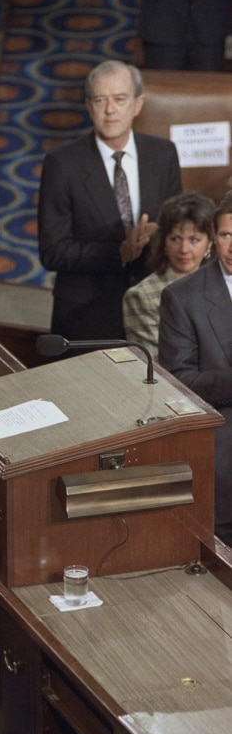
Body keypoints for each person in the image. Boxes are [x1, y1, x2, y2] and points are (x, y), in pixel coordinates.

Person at [37, 60, 182, 341]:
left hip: (153, 308)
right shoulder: (61, 164)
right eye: (100, 100)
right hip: (85, 313)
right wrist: (119, 252)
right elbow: (52, 251)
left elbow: (178, 228)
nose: (110, 110)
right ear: (89, 106)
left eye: (119, 99)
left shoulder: (163, 155)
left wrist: (159, 233)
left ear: (138, 104)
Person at [159, 192, 232, 545]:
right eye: (226, 235)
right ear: (213, 238)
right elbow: (179, 382)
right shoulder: (182, 297)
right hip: (222, 448)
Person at [123, 190, 213, 359]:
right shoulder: (142, 297)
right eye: (175, 239)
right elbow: (152, 367)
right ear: (164, 242)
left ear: (209, 243)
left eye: (194, 240)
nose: (184, 249)